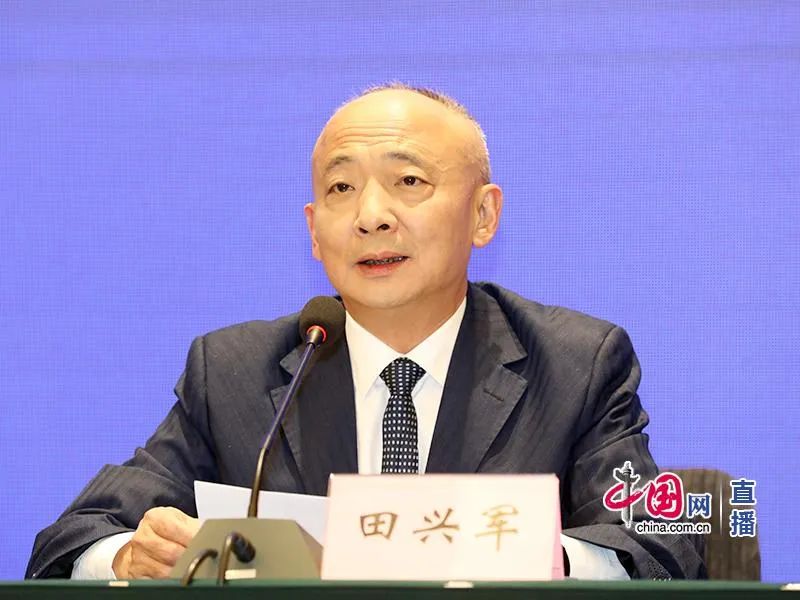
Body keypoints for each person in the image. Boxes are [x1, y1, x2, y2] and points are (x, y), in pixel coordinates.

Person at [26, 84, 705, 580]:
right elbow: (72, 540)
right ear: (313, 230)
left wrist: (536, 554)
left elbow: (663, 543)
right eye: (341, 189)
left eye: (408, 181)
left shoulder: (576, 363)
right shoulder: (233, 371)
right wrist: (128, 555)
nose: (371, 216)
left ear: (483, 216)